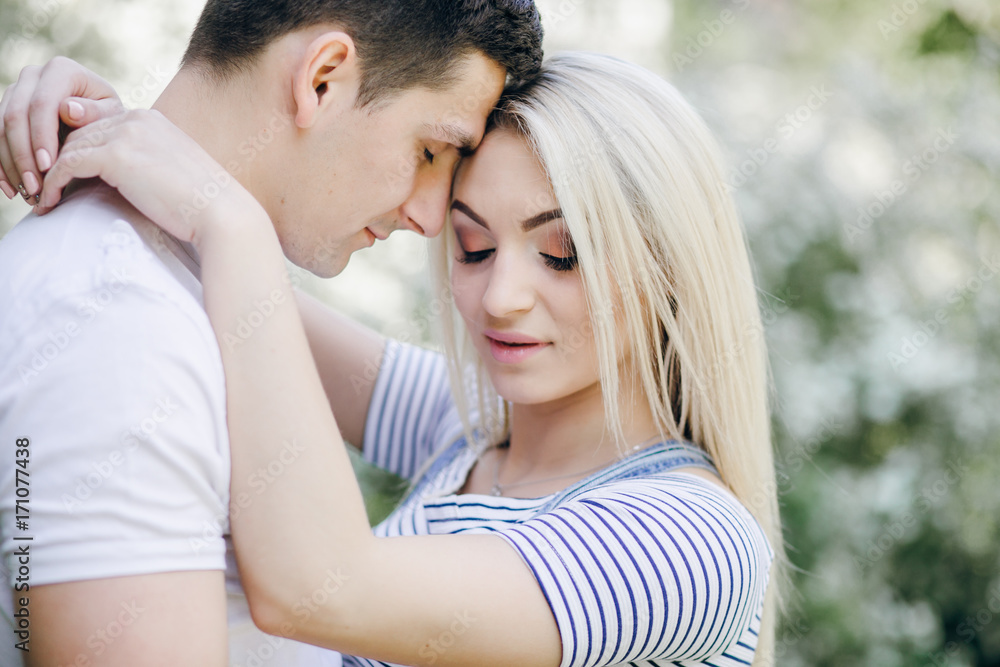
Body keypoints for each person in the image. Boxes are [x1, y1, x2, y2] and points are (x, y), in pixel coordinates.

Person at [2, 51, 786, 665]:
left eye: (563, 255)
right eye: (473, 246)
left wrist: (228, 220)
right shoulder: (476, 427)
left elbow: (319, 589)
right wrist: (107, 135)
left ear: (667, 267)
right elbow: (227, 299)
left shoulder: (694, 541)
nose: (500, 297)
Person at [0, 1, 542, 665]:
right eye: (429, 150)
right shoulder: (118, 323)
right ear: (322, 77)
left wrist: (209, 207)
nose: (431, 218)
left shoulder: (199, 280)